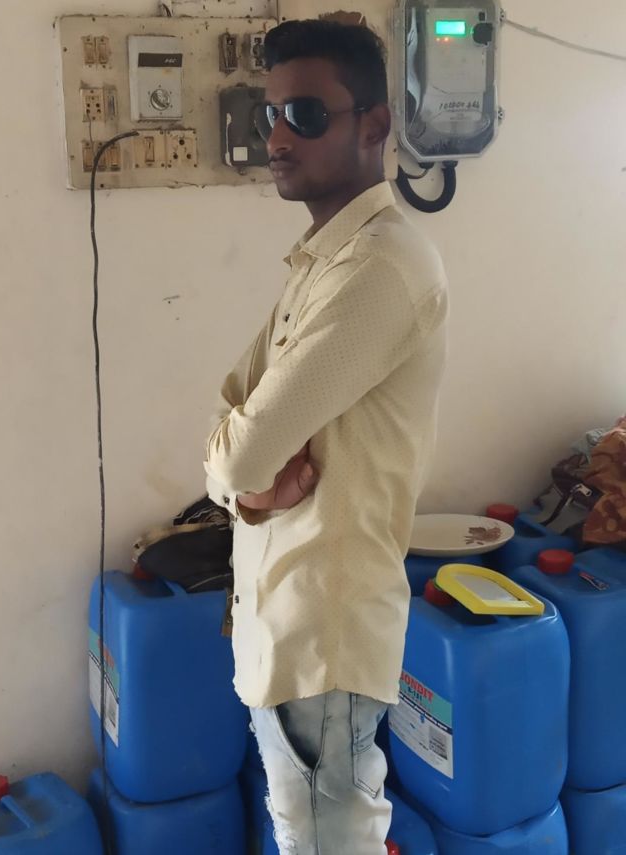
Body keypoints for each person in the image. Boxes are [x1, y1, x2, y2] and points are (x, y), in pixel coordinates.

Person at [203, 19, 448, 855]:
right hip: (286, 626)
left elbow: (241, 446)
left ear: (374, 125)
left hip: (322, 638)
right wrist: (244, 486)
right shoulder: (324, 261)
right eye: (269, 114)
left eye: (305, 115)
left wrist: (239, 472)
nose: (277, 138)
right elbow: (234, 412)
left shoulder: (379, 269)